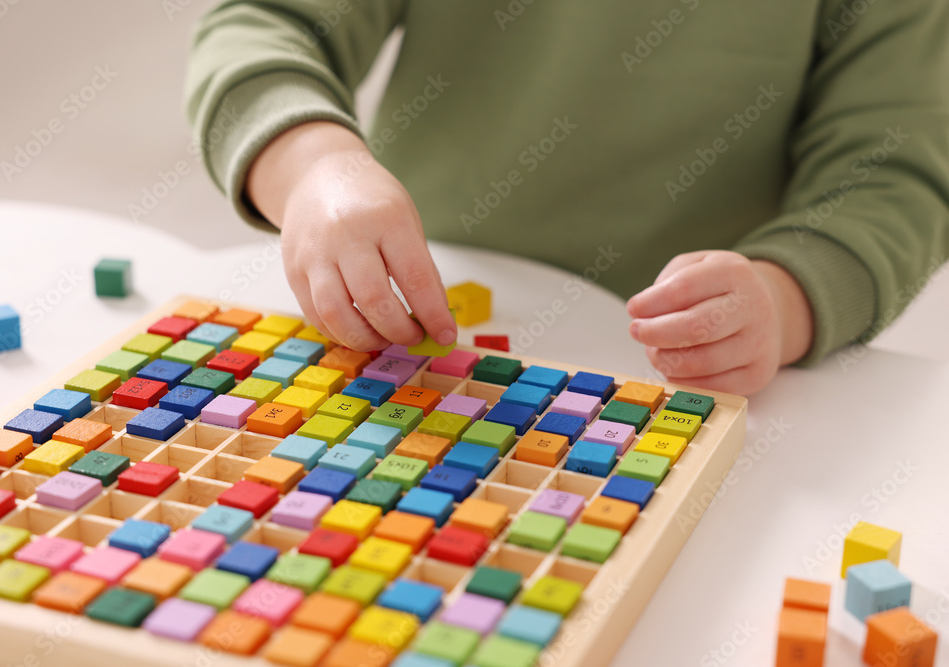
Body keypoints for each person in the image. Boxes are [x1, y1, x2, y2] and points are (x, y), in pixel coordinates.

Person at [185, 0, 949, 395]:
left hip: (678, 373)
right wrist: (315, 165)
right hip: (407, 325)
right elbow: (267, 23)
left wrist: (784, 303)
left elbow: (895, 173)